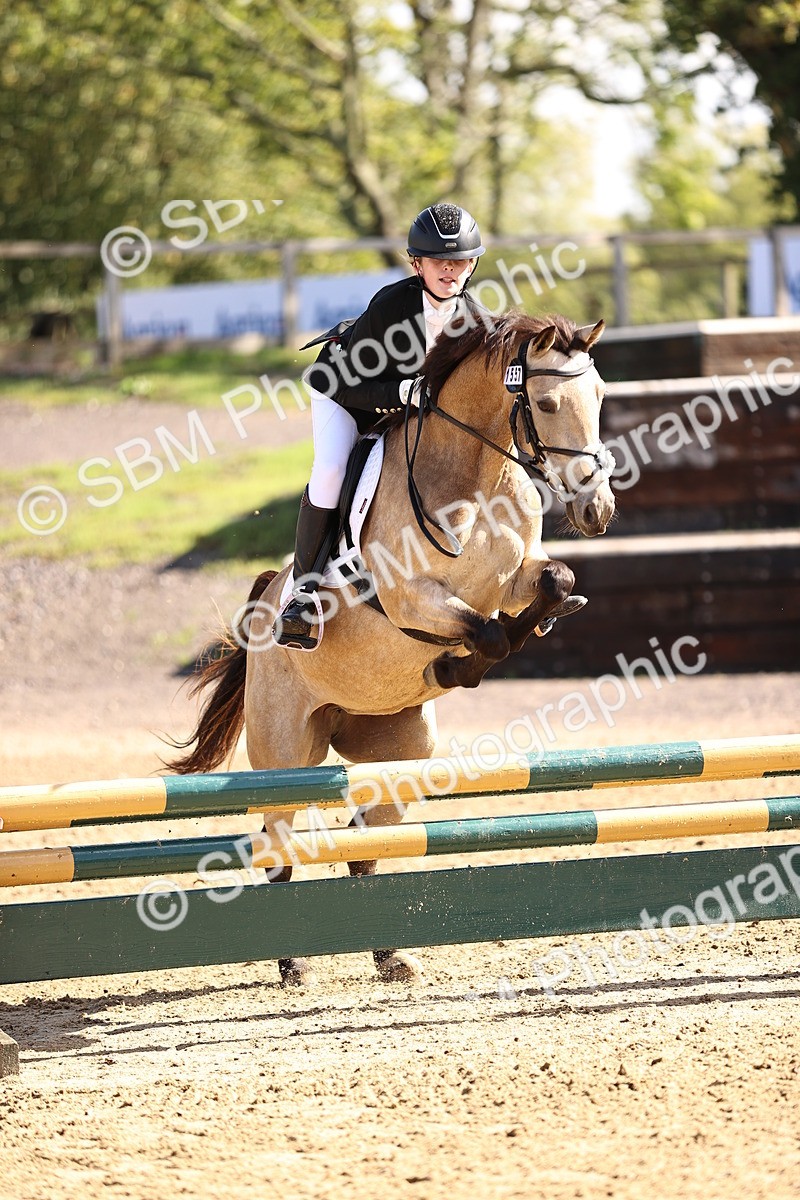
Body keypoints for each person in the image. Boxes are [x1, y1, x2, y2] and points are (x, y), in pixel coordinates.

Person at [274, 202, 486, 650]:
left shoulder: (475, 321)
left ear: (472, 266)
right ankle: (303, 592)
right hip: (345, 393)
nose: (450, 271)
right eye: (439, 262)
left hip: (405, 407)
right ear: (417, 264)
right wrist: (399, 395)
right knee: (332, 469)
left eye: (461, 262)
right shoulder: (392, 306)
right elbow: (346, 382)